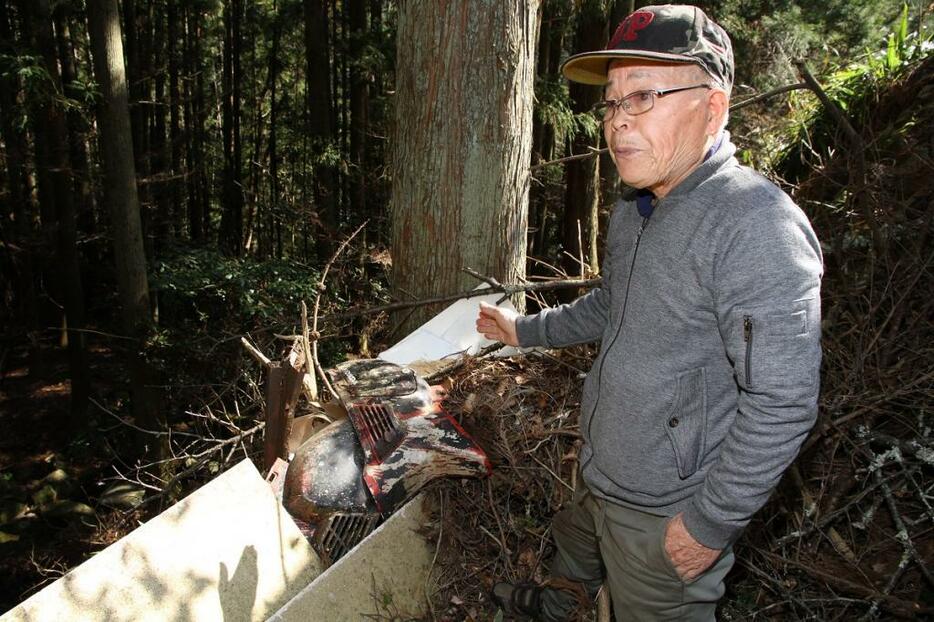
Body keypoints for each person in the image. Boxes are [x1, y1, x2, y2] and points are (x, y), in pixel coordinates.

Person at [476, 5, 823, 621]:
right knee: (575, 554)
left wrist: (708, 523)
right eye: (612, 103)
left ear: (712, 108)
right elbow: (615, 305)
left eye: (644, 97)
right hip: (600, 471)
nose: (617, 123)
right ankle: (558, 608)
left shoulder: (754, 226)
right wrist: (525, 331)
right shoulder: (637, 206)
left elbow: (784, 401)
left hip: (665, 512)